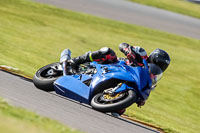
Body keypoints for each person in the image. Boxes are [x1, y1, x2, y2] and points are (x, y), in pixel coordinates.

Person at [63, 43, 170, 114]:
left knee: (119, 111)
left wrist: (141, 99)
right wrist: (128, 50)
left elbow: (144, 90)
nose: (157, 69)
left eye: (160, 67)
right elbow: (122, 45)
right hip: (114, 66)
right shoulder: (141, 54)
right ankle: (75, 61)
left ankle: (108, 98)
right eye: (158, 64)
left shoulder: (151, 77)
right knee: (107, 52)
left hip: (123, 82)